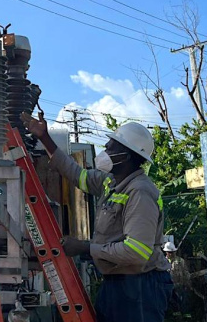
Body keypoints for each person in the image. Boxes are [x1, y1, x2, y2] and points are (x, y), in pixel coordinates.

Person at [21, 112, 173, 322]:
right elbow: (76, 174)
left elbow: (136, 251)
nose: (106, 151)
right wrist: (44, 137)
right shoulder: (110, 182)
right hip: (118, 282)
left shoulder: (140, 191)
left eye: (111, 147)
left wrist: (85, 248)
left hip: (140, 285)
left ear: (126, 156)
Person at [164, 241, 191, 312]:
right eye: (169, 252)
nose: (171, 254)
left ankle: (185, 316)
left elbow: (186, 272)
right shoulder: (163, 262)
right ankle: (174, 315)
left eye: (172, 252)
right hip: (168, 287)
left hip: (180, 285)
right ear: (166, 252)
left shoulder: (180, 261)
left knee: (183, 302)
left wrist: (187, 282)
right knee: (171, 303)